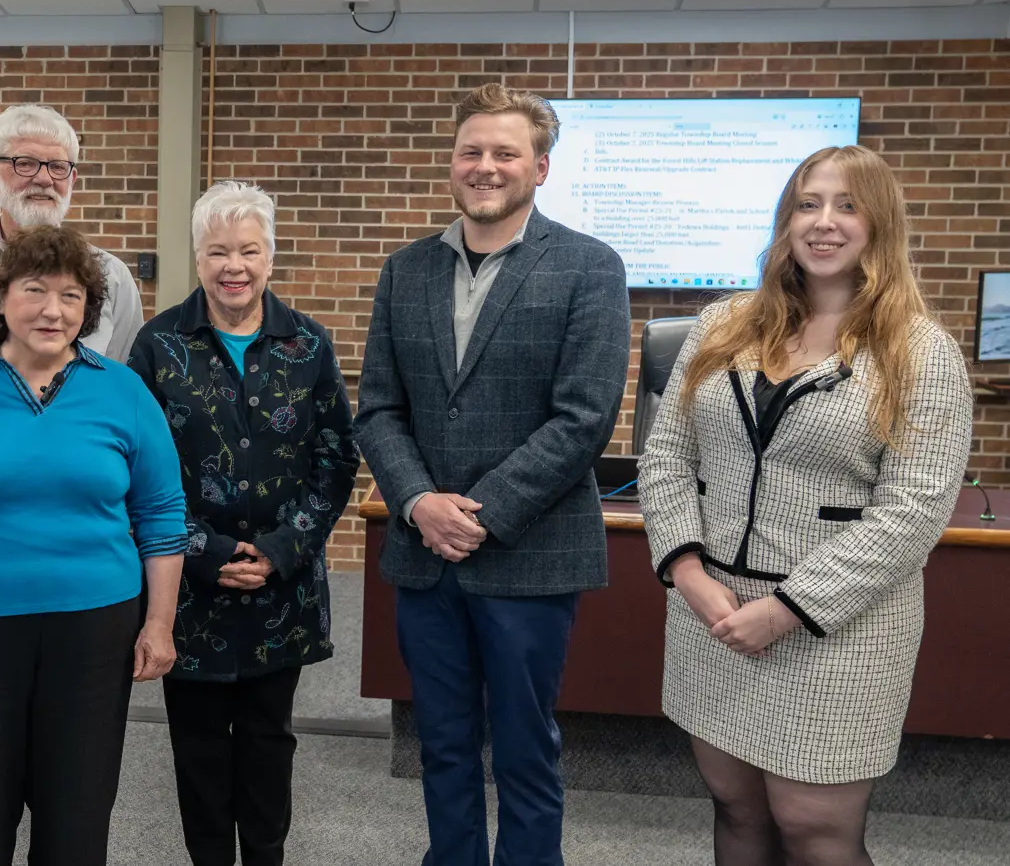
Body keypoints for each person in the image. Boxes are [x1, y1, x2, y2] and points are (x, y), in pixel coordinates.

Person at [638, 145, 974, 866]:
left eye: (847, 206)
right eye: (807, 203)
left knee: (814, 827)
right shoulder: (724, 324)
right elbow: (667, 455)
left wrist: (786, 609)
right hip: (714, 613)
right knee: (735, 807)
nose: (824, 222)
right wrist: (688, 572)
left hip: (837, 630)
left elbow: (910, 514)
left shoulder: (921, 352)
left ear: (878, 223)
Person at [354, 83, 632, 866]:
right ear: (452, 163)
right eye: (471, 151)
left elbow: (584, 418)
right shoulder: (405, 270)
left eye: (504, 152)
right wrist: (414, 501)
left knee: (523, 751)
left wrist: (474, 513)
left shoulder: (588, 267)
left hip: (529, 554)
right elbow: (378, 408)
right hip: (423, 558)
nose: (485, 166)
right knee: (441, 749)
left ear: (539, 167)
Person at [0, 224, 187, 866]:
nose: (54, 310)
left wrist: (159, 623)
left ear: (89, 309)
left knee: (76, 820)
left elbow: (162, 516)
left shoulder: (123, 391)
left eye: (72, 296)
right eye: (35, 290)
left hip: (94, 632)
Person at [128, 181, 360, 866]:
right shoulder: (158, 344)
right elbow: (141, 469)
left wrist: (283, 547)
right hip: (189, 589)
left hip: (280, 594)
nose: (234, 265)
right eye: (218, 250)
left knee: (267, 746)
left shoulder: (307, 343)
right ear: (197, 257)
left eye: (249, 250)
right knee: (197, 754)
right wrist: (209, 549)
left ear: (270, 257)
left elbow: (335, 457)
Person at [0, 103, 144, 371]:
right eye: (25, 163)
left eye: (58, 166)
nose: (45, 179)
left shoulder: (113, 279)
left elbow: (122, 387)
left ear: (72, 180)